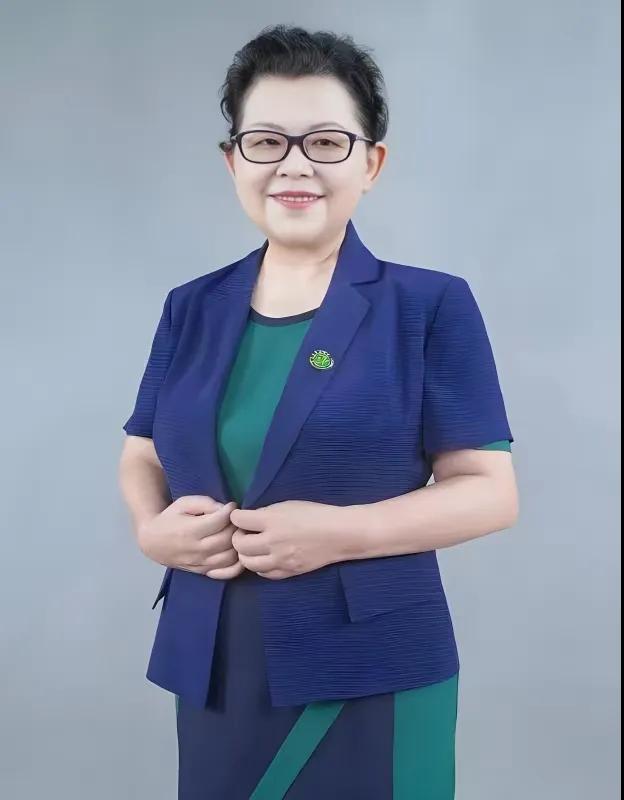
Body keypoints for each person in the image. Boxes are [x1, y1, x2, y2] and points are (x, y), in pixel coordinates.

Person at [118, 24, 519, 800]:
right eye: (267, 141)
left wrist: (338, 533)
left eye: (327, 142)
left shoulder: (428, 305)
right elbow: (142, 450)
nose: (295, 164)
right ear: (233, 161)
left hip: (372, 665)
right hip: (216, 661)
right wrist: (149, 529)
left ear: (371, 163)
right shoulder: (189, 308)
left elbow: (490, 492)